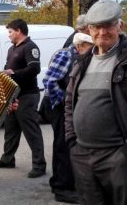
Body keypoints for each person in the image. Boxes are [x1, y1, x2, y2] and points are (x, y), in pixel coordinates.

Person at [63, 0, 127, 205]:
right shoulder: (82, 62)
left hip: (119, 156)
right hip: (82, 156)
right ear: (89, 29)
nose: (102, 32)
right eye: (96, 27)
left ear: (120, 26)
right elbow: (69, 102)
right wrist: (72, 142)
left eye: (108, 25)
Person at [40, 32, 93, 204]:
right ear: (80, 45)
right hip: (58, 106)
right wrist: (65, 100)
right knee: (62, 146)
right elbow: (49, 80)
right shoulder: (66, 54)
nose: (92, 51)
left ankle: (65, 183)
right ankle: (61, 187)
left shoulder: (82, 56)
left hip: (69, 106)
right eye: (90, 47)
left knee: (69, 145)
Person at [0, 19, 47, 179]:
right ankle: (7, 159)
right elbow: (9, 69)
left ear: (18, 31)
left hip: (28, 95)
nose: (8, 35)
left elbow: (34, 68)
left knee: (31, 130)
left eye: (10, 31)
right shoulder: (12, 49)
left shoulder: (30, 47)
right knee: (11, 128)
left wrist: (14, 74)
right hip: (13, 95)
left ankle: (39, 165)